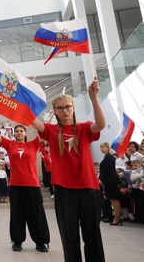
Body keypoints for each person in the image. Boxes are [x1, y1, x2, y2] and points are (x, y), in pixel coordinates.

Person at [32, 77, 106, 262]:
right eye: (60, 108)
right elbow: (31, 121)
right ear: (55, 111)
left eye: (67, 106)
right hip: (64, 191)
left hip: (89, 189)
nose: (65, 110)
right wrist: (19, 100)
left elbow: (101, 124)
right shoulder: (50, 130)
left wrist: (93, 98)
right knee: (69, 237)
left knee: (92, 236)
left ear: (73, 108)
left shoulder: (85, 128)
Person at [0, 116, 50, 252]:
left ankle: (41, 242)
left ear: (25, 133)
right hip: (15, 185)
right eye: (17, 131)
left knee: (36, 214)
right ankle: (17, 241)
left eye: (21, 131)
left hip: (32, 185)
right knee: (17, 214)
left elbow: (44, 130)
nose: (19, 133)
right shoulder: (10, 145)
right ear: (14, 134)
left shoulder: (33, 144)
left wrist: (49, 117)